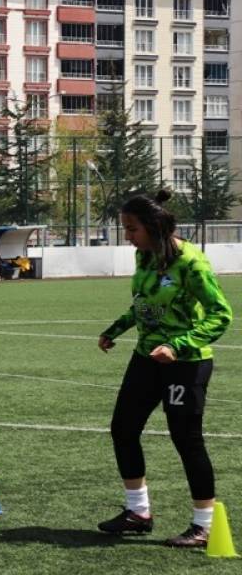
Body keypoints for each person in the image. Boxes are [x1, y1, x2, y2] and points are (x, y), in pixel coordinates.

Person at [96, 191, 232, 547]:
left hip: (186, 363)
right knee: (123, 428)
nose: (127, 237)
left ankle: (203, 525)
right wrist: (116, 329)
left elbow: (222, 315)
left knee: (186, 439)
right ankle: (138, 512)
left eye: (132, 229)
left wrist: (176, 345)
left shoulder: (191, 263)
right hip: (145, 358)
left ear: (154, 227)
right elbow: (142, 304)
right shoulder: (144, 256)